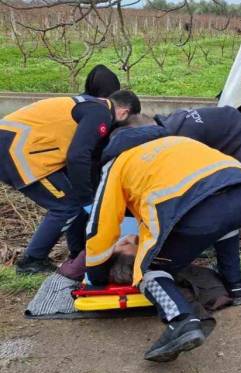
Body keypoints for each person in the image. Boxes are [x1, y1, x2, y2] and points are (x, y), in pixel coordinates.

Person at [85, 133, 241, 362]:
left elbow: (99, 225)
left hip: (198, 207)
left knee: (147, 268)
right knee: (225, 227)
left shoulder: (117, 164)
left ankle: (181, 320)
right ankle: (235, 288)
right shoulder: (171, 143)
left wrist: (96, 273)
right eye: (122, 243)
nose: (128, 238)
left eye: (122, 241)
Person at [130, 107, 241, 272]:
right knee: (219, 201)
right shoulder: (168, 127)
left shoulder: (179, 138)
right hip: (223, 150)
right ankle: (225, 265)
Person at [0, 90, 141, 274]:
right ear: (123, 112)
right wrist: (87, 200)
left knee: (72, 202)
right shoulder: (101, 113)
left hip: (20, 146)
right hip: (18, 151)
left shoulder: (92, 105)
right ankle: (31, 262)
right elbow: (77, 156)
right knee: (67, 205)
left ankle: (75, 252)